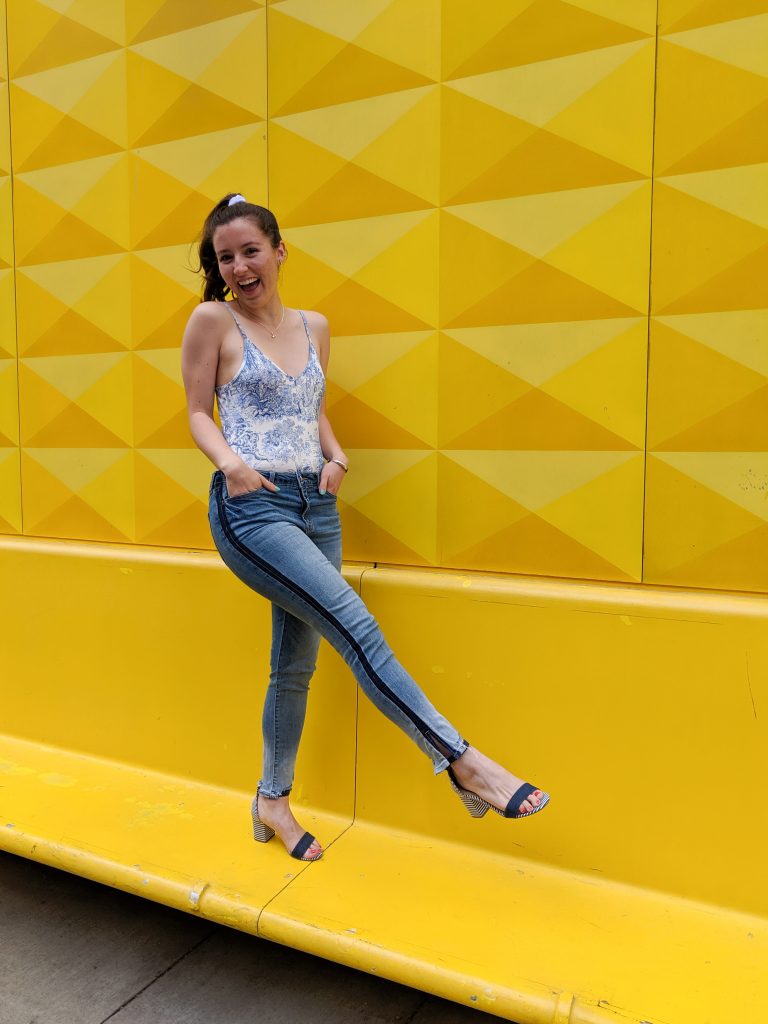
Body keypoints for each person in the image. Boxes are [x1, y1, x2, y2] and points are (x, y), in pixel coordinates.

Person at [181, 193, 550, 863]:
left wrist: (339, 454)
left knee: (294, 663)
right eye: (224, 256)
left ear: (279, 250)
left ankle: (271, 799)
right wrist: (231, 466)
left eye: (250, 251)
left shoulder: (315, 325)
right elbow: (198, 413)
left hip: (313, 503)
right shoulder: (212, 320)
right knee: (358, 628)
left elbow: (308, 405)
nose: (237, 266)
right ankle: (464, 763)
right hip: (251, 508)